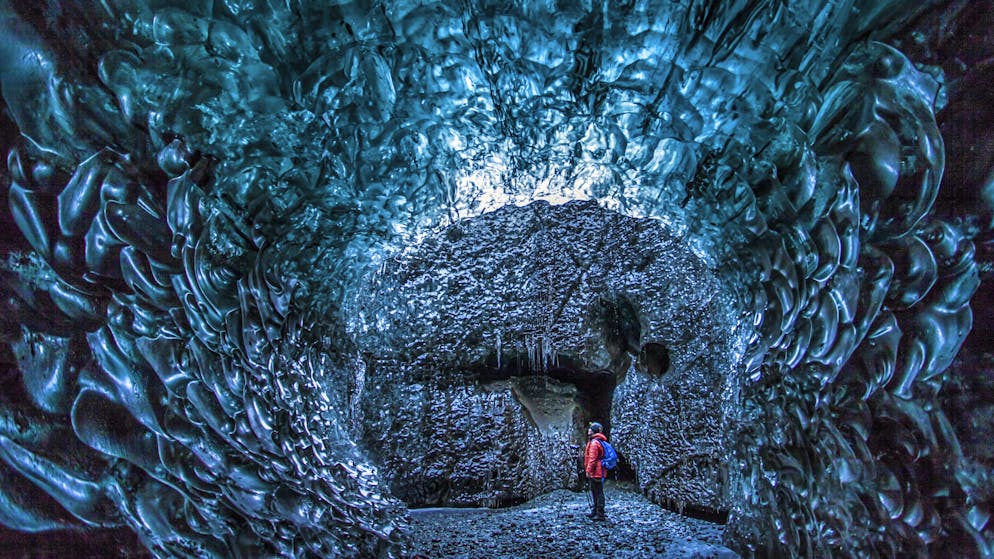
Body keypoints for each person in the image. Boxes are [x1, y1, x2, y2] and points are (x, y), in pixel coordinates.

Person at [584, 422, 608, 521]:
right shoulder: (596, 441)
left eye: (590, 429)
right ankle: (595, 511)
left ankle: (600, 513)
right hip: (598, 470)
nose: (588, 430)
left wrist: (588, 470)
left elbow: (592, 459)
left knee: (598, 491)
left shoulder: (594, 443)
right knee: (595, 490)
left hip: (596, 471)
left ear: (593, 431)